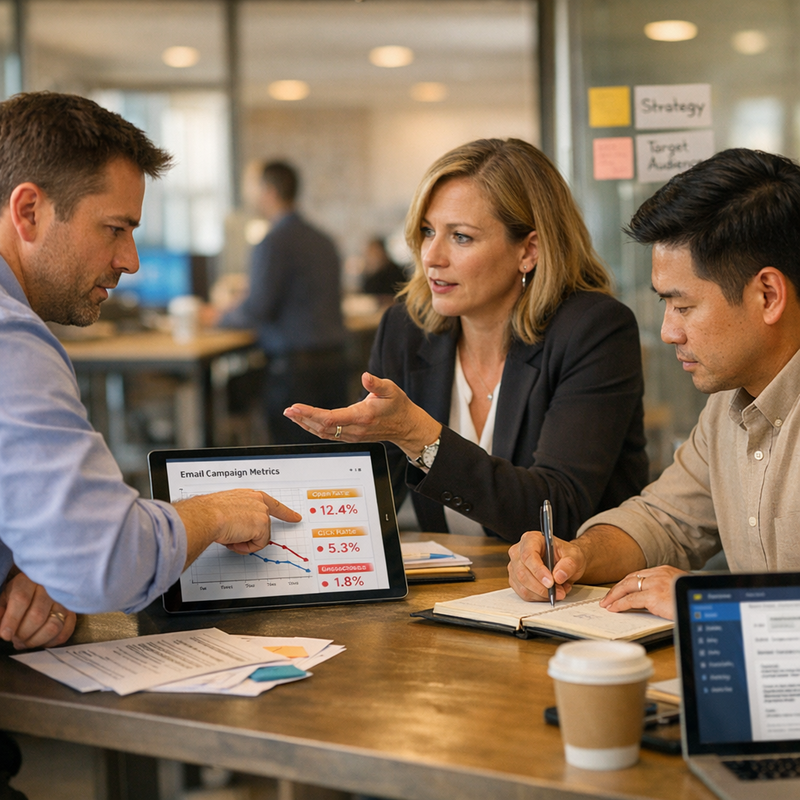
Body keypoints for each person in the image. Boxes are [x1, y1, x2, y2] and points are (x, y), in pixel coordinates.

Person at [0, 92, 302, 650]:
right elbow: (105, 560)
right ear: (28, 212)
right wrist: (213, 513)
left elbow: (73, 555)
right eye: (115, 228)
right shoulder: (11, 338)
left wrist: (36, 563)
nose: (130, 260)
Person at [285, 138, 648, 542]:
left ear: (529, 250)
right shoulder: (406, 329)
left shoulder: (595, 331)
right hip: (456, 589)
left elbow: (555, 513)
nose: (432, 257)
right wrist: (278, 508)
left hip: (574, 593)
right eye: (427, 231)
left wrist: (420, 436)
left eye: (461, 237)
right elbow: (368, 490)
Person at [508, 147, 800, 619]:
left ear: (768, 295)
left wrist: (707, 601)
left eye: (683, 307)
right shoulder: (730, 402)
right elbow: (666, 520)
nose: (668, 332)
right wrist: (576, 554)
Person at [212, 160, 348, 445]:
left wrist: (217, 317)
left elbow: (258, 309)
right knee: (333, 454)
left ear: (269, 191)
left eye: (252, 187)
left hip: (295, 373)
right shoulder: (324, 240)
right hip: (334, 364)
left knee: (296, 459)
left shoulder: (273, 242)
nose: (249, 196)